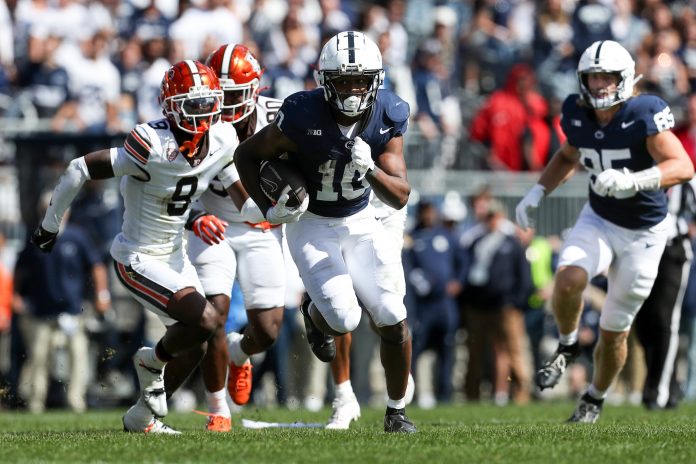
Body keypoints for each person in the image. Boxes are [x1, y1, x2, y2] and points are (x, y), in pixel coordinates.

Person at [31, 60, 253, 434]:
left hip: (175, 254)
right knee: (207, 321)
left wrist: (278, 210)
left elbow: (237, 189)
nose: (201, 114)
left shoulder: (223, 138)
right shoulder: (151, 143)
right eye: (191, 104)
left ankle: (141, 418)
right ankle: (152, 361)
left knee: (198, 342)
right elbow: (78, 169)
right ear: (170, 105)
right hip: (137, 257)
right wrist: (49, 226)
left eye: (207, 103)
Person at [235, 31, 416, 433]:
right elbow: (246, 154)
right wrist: (268, 209)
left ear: (375, 81)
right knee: (344, 317)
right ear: (325, 81)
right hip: (312, 223)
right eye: (344, 81)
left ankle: (396, 412)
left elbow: (401, 195)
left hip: (361, 218)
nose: (353, 90)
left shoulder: (388, 112)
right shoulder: (301, 112)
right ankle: (315, 316)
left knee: (392, 314)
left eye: (360, 80)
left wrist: (371, 169)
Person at [515, 40, 694, 423]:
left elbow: (683, 165)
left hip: (645, 234)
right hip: (599, 218)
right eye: (593, 77)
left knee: (615, 332)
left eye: (607, 78)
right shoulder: (577, 113)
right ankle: (567, 345)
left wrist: (637, 181)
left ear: (625, 79)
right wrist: (538, 190)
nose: (598, 85)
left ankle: (594, 398)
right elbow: (568, 155)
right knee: (568, 280)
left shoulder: (644, 112)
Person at [185, 43, 286, 431]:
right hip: (215, 226)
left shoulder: (281, 117)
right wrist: (193, 215)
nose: (224, 103)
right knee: (216, 315)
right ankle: (218, 411)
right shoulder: (199, 117)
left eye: (233, 94)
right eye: (220, 94)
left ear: (255, 90)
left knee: (268, 329)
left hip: (260, 228)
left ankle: (240, 357)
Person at [326, 192, 415, 429]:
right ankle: (343, 396)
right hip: (342, 205)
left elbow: (398, 177)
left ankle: (399, 368)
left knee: (387, 308)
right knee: (340, 299)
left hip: (384, 208)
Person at [15, 193, 111, 414]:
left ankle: (76, 400)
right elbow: (21, 270)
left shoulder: (77, 236)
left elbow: (97, 267)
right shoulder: (36, 238)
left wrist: (102, 295)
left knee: (78, 354)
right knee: (38, 357)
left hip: (72, 310)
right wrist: (17, 297)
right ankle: (35, 402)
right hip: (42, 311)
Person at [634, 178, 696, 409]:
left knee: (664, 318)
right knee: (642, 323)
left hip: (672, 250)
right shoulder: (637, 167)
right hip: (640, 249)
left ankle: (656, 392)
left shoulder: (683, 175)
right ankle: (669, 385)